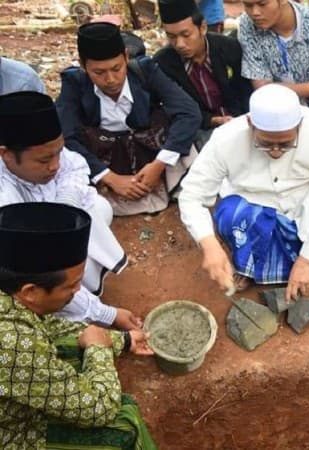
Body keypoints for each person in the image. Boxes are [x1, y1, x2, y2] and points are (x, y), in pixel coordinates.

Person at [179, 84, 309, 297]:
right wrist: (208, 244)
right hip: (256, 205)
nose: (276, 152)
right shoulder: (225, 139)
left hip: (307, 201)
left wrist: (305, 260)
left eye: (285, 144)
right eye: (265, 144)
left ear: (300, 125)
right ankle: (249, 267)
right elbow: (192, 195)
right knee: (230, 214)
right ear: (250, 124)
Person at [0, 202, 155, 449]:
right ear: (30, 291)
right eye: (71, 287)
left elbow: (52, 327)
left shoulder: (14, 299)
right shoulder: (13, 342)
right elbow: (98, 409)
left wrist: (122, 340)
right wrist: (100, 349)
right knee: (124, 422)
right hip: (15, 434)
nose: (77, 293)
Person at [0, 92, 142, 331]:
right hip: (22, 274)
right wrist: (107, 314)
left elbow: (74, 168)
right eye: (44, 161)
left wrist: (64, 207)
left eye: (58, 152)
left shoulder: (48, 150)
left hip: (45, 242)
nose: (55, 165)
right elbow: (40, 273)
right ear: (6, 154)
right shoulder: (5, 202)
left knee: (99, 207)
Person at [56, 22, 201, 216]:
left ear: (126, 57)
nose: (111, 79)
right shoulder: (74, 83)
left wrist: (159, 164)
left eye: (116, 68)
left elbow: (188, 112)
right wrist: (109, 178)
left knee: (185, 142)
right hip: (104, 156)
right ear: (83, 67)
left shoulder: (144, 70)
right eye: (99, 72)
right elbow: (67, 136)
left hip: (149, 151)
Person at [154, 0, 252, 148]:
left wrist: (240, 120)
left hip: (240, 120)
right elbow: (174, 108)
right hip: (200, 129)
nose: (179, 44)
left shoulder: (229, 48)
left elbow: (245, 91)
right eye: (172, 37)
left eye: (186, 35)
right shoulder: (164, 63)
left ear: (203, 28)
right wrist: (212, 120)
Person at [237, 0, 309, 120]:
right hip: (277, 114)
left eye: (262, 4)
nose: (254, 12)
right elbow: (263, 88)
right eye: (248, 5)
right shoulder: (247, 24)